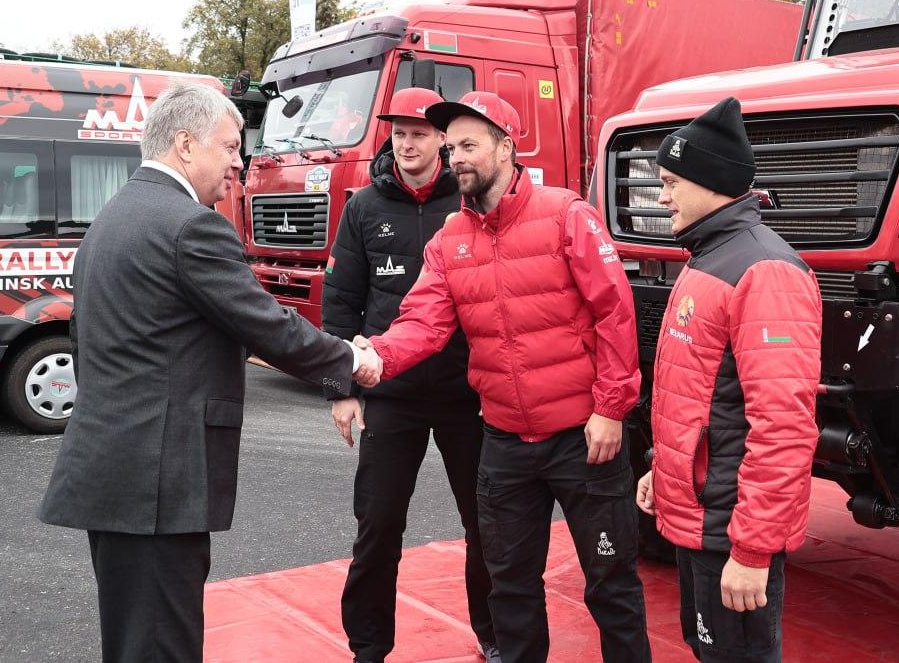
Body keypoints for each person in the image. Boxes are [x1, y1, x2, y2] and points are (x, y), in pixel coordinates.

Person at [38, 81, 380, 663]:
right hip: (157, 482)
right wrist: (351, 362)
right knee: (161, 646)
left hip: (119, 473)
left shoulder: (113, 217)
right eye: (229, 147)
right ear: (185, 144)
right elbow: (268, 325)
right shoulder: (190, 225)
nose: (239, 163)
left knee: (134, 640)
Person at [356, 92, 651, 663]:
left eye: (469, 145)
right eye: (452, 148)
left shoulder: (567, 215)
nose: (457, 158)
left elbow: (615, 311)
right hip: (505, 443)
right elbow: (423, 322)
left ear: (507, 148)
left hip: (583, 439)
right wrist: (377, 357)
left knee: (611, 586)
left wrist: (611, 408)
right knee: (510, 589)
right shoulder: (450, 239)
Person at [634, 97, 822, 662]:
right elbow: (697, 396)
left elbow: (783, 426)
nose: (661, 197)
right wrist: (662, 470)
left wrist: (753, 549)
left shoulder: (765, 271)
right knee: (708, 650)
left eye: (670, 182)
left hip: (729, 528)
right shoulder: (709, 256)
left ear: (710, 182)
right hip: (705, 517)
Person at [324, 87, 498, 662]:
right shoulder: (363, 207)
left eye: (419, 134)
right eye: (398, 133)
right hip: (390, 391)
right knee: (377, 526)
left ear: (442, 140)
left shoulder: (469, 198)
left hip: (465, 392)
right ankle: (369, 647)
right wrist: (342, 388)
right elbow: (341, 303)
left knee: (486, 523)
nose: (406, 144)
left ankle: (494, 635)